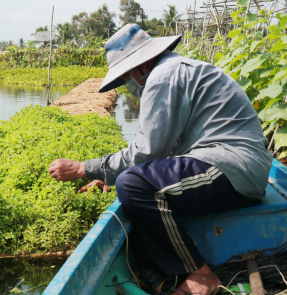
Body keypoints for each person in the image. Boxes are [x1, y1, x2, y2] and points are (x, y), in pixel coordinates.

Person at [48, 24, 272, 295]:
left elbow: (147, 152)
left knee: (132, 184)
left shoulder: (163, 77)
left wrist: (84, 168)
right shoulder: (174, 70)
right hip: (236, 167)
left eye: (126, 76)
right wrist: (109, 176)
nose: (128, 85)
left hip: (231, 167)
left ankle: (201, 276)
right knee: (132, 180)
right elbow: (162, 153)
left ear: (140, 66)